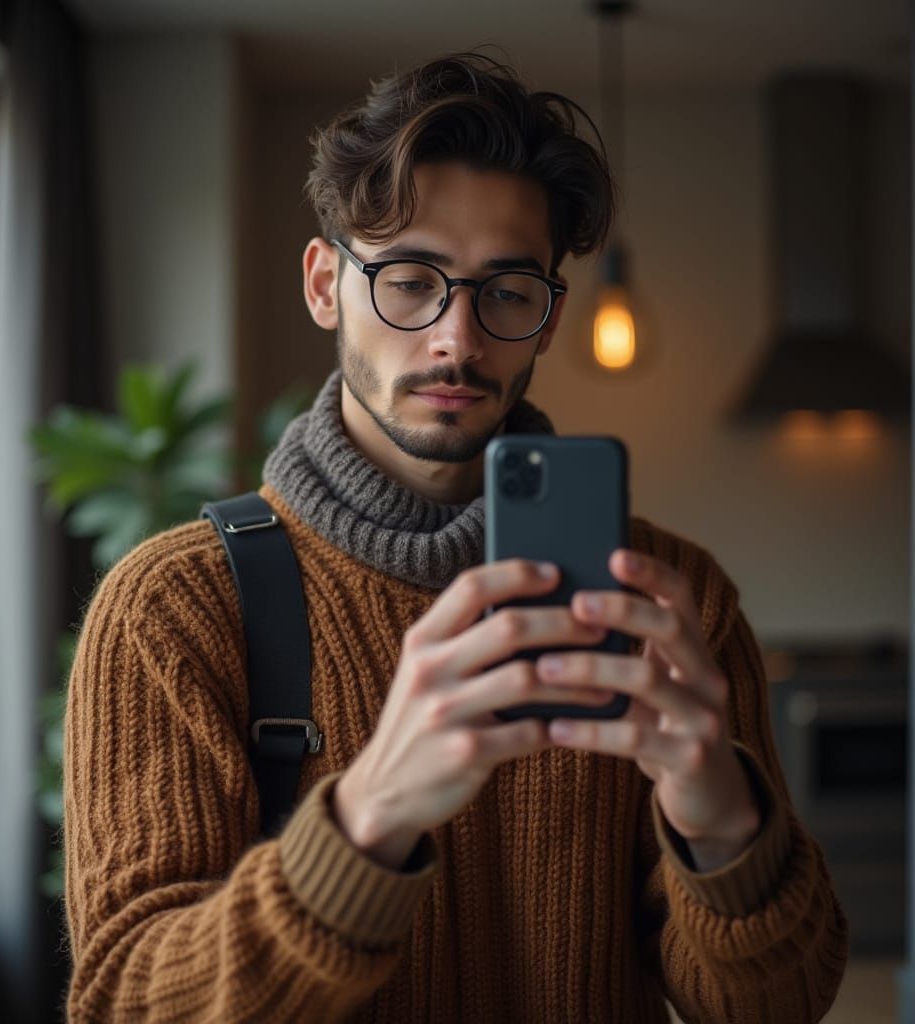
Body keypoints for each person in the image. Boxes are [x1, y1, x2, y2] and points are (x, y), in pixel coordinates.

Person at [63, 52, 848, 1022]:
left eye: (507, 290)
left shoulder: (668, 598)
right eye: (409, 278)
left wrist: (724, 820)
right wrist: (368, 818)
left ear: (549, 318)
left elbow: (780, 1004)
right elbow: (124, 1004)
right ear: (324, 285)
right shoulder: (174, 608)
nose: (456, 337)